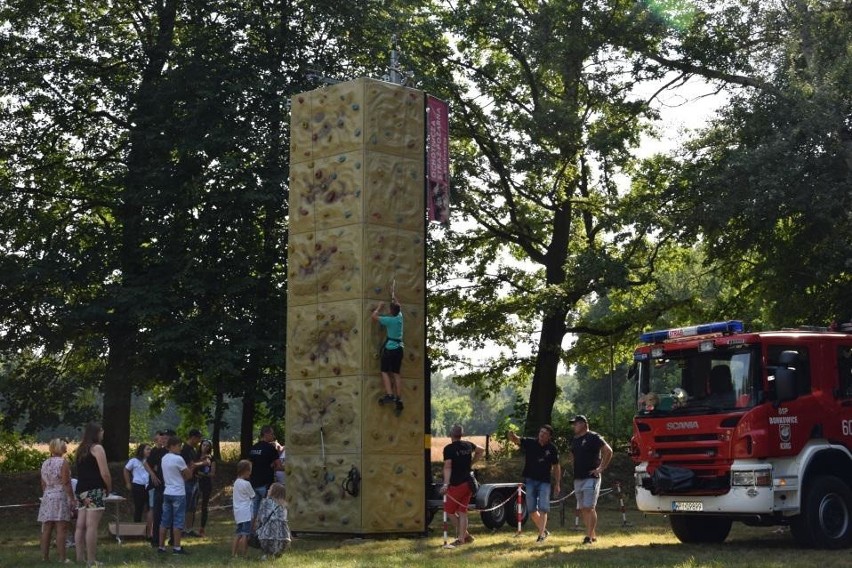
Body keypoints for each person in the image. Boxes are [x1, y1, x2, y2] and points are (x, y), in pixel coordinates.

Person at [508, 424, 561, 542]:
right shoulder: (530, 442)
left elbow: (556, 466)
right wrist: (512, 436)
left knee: (543, 508)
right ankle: (544, 530)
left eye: (545, 433)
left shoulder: (552, 448)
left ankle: (541, 535)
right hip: (530, 480)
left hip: (545, 482)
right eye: (541, 432)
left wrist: (557, 483)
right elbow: (517, 439)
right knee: (531, 510)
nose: (542, 435)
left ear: (549, 437)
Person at [158, 435, 206, 555]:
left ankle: (161, 547)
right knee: (178, 521)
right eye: (179, 446)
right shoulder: (178, 459)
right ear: (173, 446)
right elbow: (188, 475)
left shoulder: (164, 458)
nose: (180, 448)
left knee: (164, 521)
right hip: (178, 492)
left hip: (167, 491)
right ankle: (177, 548)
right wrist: (192, 466)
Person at [569, 415, 613, 545]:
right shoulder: (575, 439)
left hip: (591, 477)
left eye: (575, 424)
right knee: (583, 508)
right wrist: (573, 460)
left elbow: (608, 451)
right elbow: (572, 453)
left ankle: (588, 537)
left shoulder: (593, 437)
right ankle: (592, 535)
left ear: (583, 424)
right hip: (578, 477)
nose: (573, 426)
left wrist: (601, 468)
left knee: (589, 507)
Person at [440, 424, 484, 546]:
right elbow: (481, 450)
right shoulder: (468, 445)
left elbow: (448, 466)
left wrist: (446, 484)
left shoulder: (449, 449)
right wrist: (472, 462)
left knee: (449, 511)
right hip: (469, 484)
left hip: (457, 484)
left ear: (450, 434)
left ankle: (462, 537)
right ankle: (464, 537)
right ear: (462, 435)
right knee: (462, 512)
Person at [74, 422, 112, 567]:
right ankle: (91, 560)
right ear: (96, 433)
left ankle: (79, 558)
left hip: (80, 490)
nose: (103, 434)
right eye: (101, 431)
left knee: (80, 526)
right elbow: (105, 472)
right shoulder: (97, 448)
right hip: (94, 489)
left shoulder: (81, 449)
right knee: (92, 526)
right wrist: (108, 487)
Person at [38, 438, 75, 563]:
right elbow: (66, 482)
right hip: (59, 496)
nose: (66, 447)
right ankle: (62, 558)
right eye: (64, 445)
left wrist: (47, 494)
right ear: (60, 448)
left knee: (47, 527)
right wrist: (72, 498)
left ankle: (44, 557)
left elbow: (43, 483)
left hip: (47, 495)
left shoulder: (45, 463)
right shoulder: (63, 462)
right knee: (61, 528)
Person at [371, 299, 404, 413]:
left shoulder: (389, 321)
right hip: (399, 348)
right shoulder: (400, 318)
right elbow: (398, 306)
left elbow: (374, 316)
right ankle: (399, 398)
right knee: (396, 373)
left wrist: (379, 307)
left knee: (384, 371)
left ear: (390, 310)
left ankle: (390, 394)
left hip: (390, 349)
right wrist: (394, 296)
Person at [249, 425, 283, 528]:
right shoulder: (270, 449)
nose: (273, 436)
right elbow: (278, 467)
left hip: (254, 484)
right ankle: (264, 532)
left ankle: (250, 532)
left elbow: (249, 465)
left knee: (254, 510)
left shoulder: (253, 448)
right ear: (266, 434)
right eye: (272, 433)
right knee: (268, 510)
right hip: (266, 485)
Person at [145, 429, 173, 548]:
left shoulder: (174, 452)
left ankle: (173, 539)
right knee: (157, 514)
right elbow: (146, 463)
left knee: (172, 514)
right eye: (163, 438)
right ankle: (155, 540)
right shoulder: (157, 451)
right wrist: (152, 474)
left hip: (171, 487)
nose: (164, 440)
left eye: (166, 438)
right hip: (159, 488)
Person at [256, 482, 291, 558]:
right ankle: (276, 555)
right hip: (283, 534)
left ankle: (267, 555)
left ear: (274, 492)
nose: (268, 490)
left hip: (268, 533)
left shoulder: (266, 502)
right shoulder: (284, 505)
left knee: (267, 546)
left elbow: (262, 517)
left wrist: (258, 527)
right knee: (279, 548)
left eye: (270, 489)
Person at [181, 428, 203, 536]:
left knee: (192, 507)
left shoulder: (193, 449)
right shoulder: (185, 449)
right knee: (186, 506)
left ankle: (189, 529)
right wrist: (204, 463)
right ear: (193, 437)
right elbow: (191, 465)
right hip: (187, 481)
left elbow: (194, 463)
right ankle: (182, 529)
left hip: (195, 480)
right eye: (199, 438)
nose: (199, 441)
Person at [232, 460, 255, 558]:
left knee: (238, 533)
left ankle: (234, 554)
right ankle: (244, 555)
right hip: (246, 512)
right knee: (245, 534)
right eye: (249, 471)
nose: (250, 473)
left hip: (238, 512)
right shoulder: (247, 484)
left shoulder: (236, 482)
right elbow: (253, 496)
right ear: (245, 471)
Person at [123, 443, 151, 527]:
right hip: (138, 486)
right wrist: (128, 482)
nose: (149, 451)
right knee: (139, 507)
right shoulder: (134, 461)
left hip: (149, 486)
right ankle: (137, 527)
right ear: (142, 450)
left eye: (150, 449)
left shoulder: (150, 461)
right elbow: (126, 469)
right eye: (147, 449)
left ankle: (149, 528)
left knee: (150, 508)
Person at [196, 439, 216, 537]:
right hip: (195, 482)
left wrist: (203, 474)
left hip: (206, 484)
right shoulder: (196, 456)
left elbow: (212, 473)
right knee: (192, 505)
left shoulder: (211, 458)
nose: (205, 447)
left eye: (207, 446)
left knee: (204, 506)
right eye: (203, 445)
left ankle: (202, 529)